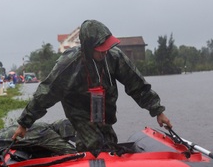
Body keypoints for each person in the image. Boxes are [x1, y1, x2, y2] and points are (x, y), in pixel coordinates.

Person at [13, 19, 172, 156]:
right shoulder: (69, 64)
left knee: (109, 145)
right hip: (78, 109)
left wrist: (158, 111)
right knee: (94, 144)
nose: (104, 52)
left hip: (103, 110)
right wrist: (24, 123)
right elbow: (45, 93)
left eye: (106, 48)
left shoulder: (114, 57)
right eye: (100, 49)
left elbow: (137, 84)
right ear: (89, 48)